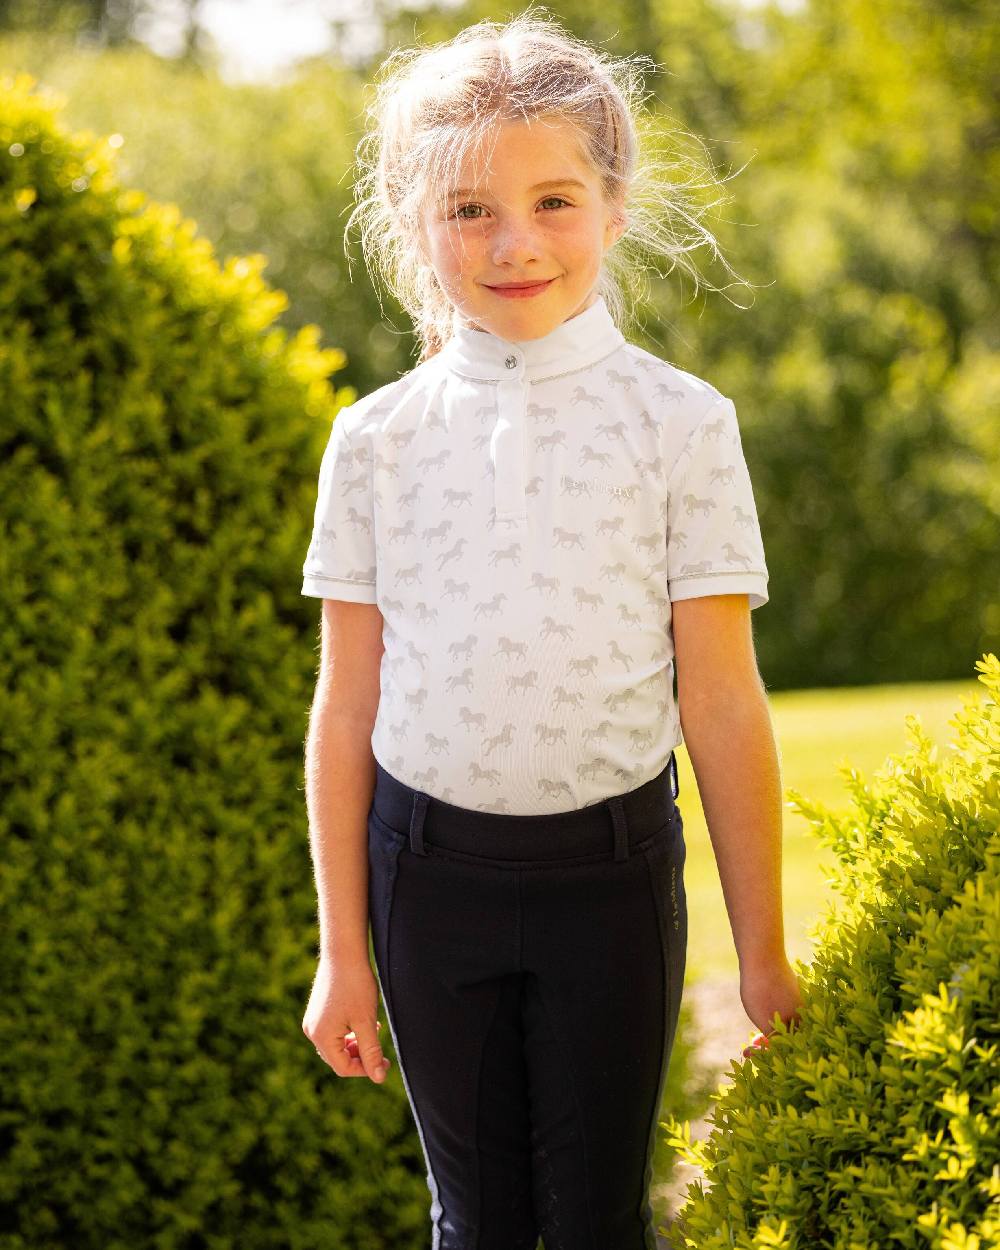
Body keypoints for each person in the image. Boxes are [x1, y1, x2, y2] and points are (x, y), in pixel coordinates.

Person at [300, 9, 803, 1248]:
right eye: (470, 209)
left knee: (596, 1222)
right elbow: (346, 706)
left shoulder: (681, 425)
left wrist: (762, 953)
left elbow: (722, 700)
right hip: (428, 883)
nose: (514, 242)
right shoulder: (373, 441)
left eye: (553, 200)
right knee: (471, 1222)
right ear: (419, 229)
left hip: (613, 884)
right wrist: (340, 952)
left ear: (615, 204)